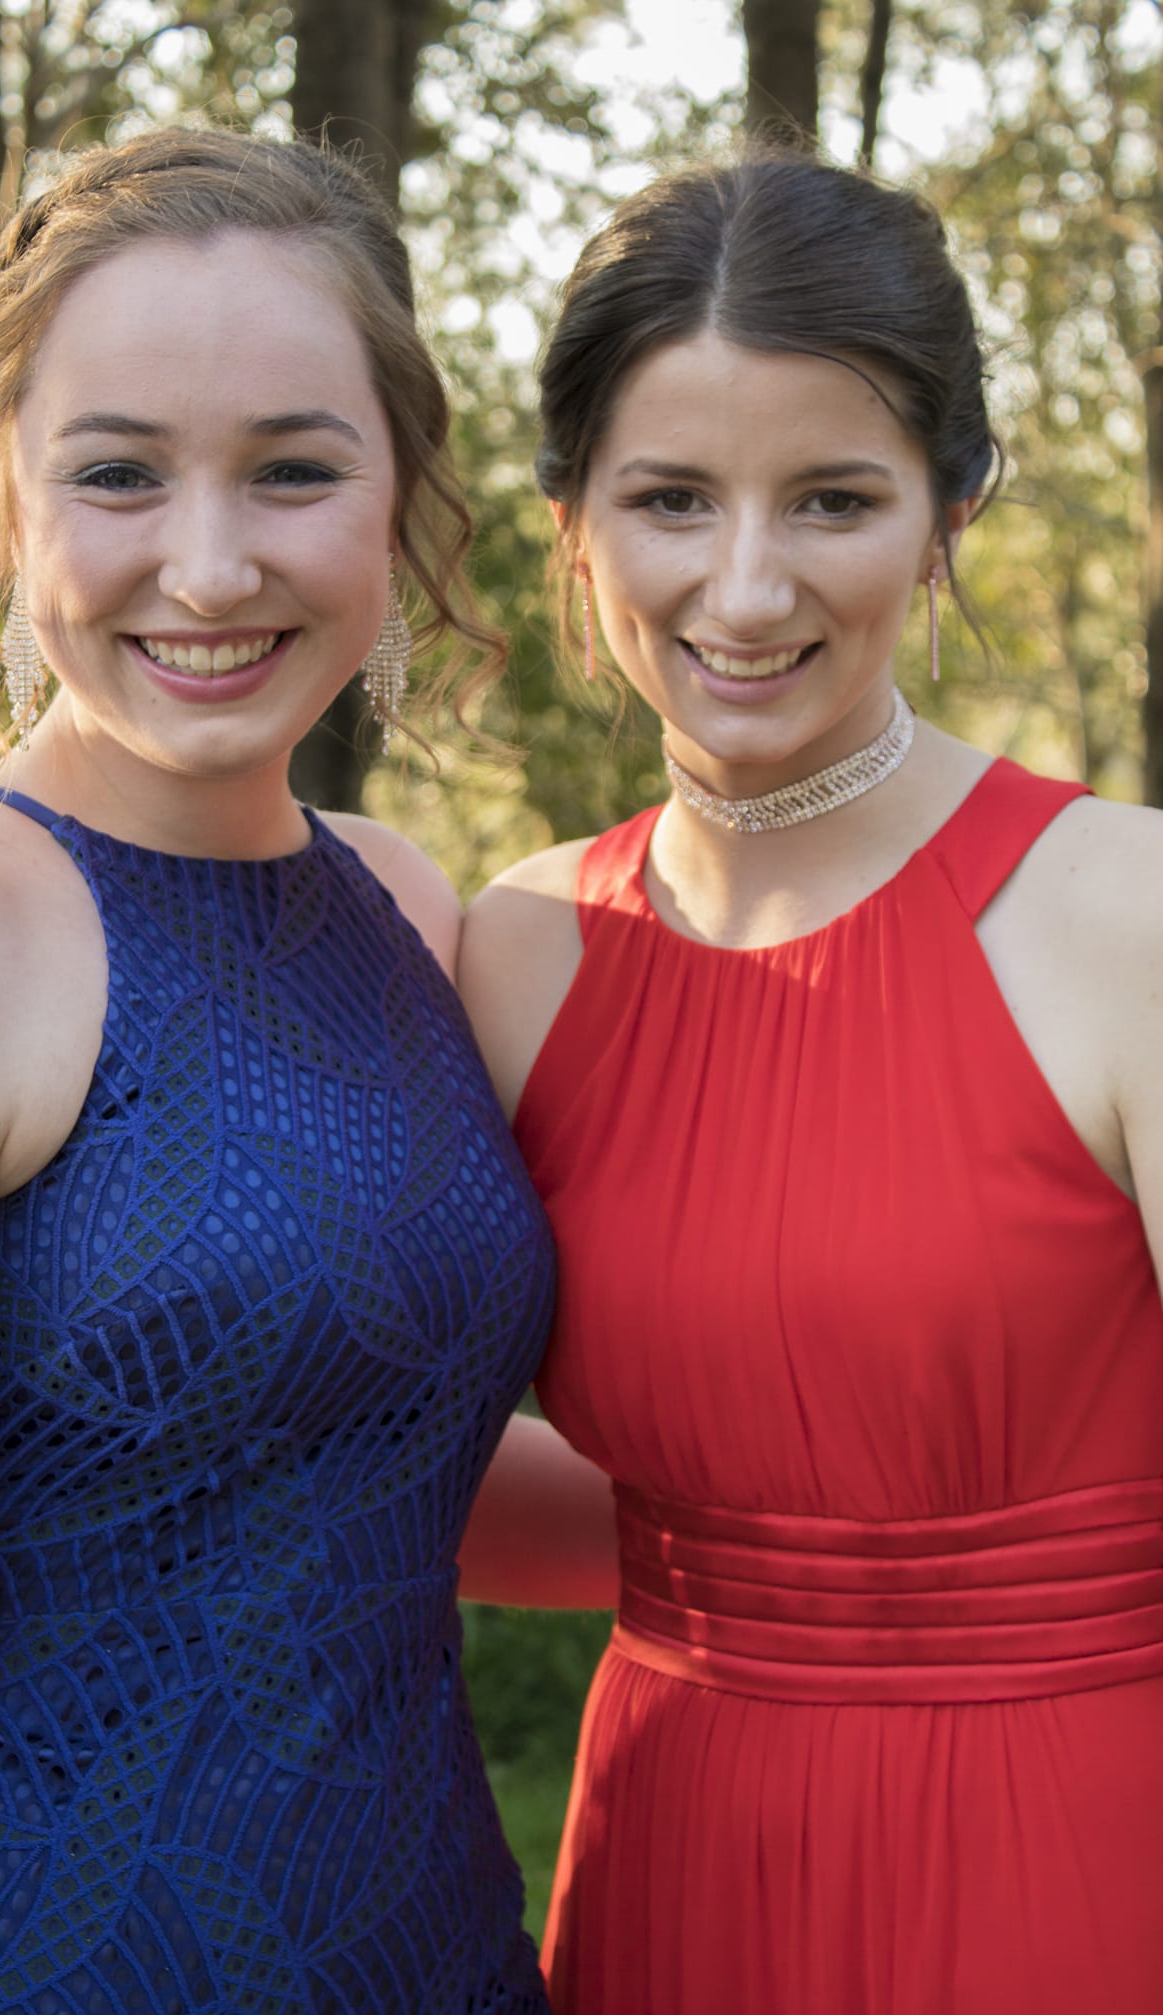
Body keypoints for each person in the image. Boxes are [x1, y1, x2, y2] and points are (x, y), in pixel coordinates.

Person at [0, 128, 555, 2012]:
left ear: (398, 499)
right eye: (120, 472)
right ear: (4, 496)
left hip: (437, 1952)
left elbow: (384, 1462)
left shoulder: (404, 904)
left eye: (295, 470)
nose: (209, 563)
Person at [457, 152, 1163, 2014]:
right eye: (670, 499)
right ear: (575, 522)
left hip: (1075, 1866)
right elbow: (429, 1472)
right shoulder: (514, 957)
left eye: (833, 499)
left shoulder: (1126, 916)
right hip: (670, 1855)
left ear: (949, 511)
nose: (745, 586)